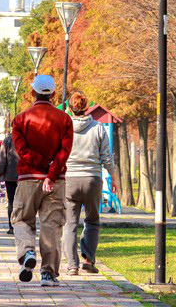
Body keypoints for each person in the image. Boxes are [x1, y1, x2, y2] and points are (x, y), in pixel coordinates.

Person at [11, 74, 73, 287]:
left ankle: (27, 250)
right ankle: (48, 273)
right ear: (54, 94)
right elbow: (65, 152)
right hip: (55, 181)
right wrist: (51, 173)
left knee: (21, 219)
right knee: (52, 226)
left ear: (32, 93)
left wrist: (38, 166)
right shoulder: (64, 119)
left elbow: (22, 150)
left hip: (28, 178)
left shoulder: (20, 119)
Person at [62, 91, 117, 276]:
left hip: (69, 179)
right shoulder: (99, 128)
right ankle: (88, 259)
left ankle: (72, 265)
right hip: (92, 179)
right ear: (87, 107)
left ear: (70, 108)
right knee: (92, 220)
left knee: (70, 223)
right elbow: (107, 158)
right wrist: (114, 176)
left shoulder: (64, 128)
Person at [0, 134, 19, 235]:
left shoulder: (8, 140)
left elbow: (2, 159)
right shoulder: (29, 136)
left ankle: (12, 226)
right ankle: (24, 226)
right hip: (26, 176)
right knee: (25, 202)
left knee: (12, 201)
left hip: (11, 176)